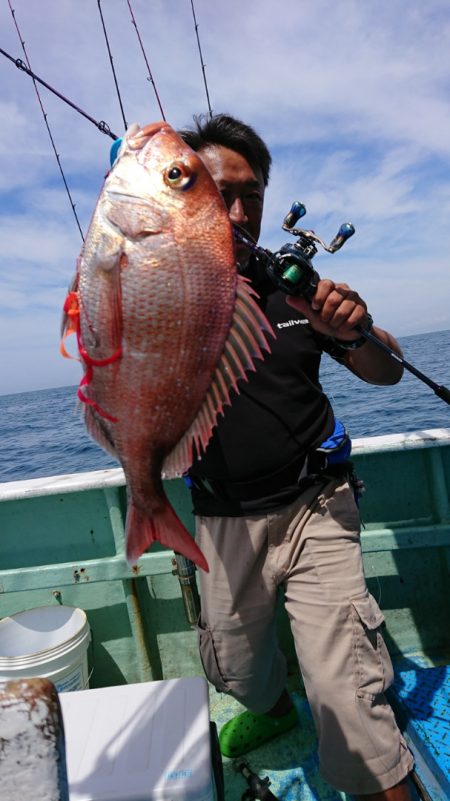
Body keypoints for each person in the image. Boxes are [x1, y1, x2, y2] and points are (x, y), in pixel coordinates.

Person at [178, 113, 414, 800]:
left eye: (253, 193)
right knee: (235, 669)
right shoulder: (163, 290)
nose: (241, 209)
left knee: (347, 699)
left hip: (318, 502)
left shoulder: (292, 282)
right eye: (220, 190)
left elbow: (386, 370)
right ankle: (274, 706)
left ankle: (364, 741)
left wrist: (358, 327)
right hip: (221, 515)